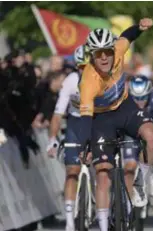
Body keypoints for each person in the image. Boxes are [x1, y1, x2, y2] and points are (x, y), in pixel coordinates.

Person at [79, 18, 153, 231]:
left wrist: (140, 28)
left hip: (125, 107)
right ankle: (105, 226)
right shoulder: (88, 81)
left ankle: (142, 182)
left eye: (107, 51)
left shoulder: (118, 50)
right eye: (98, 54)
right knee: (103, 173)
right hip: (101, 118)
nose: (104, 57)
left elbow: (128, 36)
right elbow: (86, 118)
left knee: (152, 135)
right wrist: (86, 144)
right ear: (92, 56)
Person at [46, 44, 90, 231]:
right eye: (80, 66)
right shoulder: (71, 81)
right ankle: (70, 220)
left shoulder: (104, 79)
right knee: (72, 170)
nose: (84, 70)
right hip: (76, 123)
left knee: (104, 168)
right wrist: (52, 139)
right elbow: (57, 114)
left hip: (97, 123)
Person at [124, 75, 153, 206]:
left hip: (151, 129)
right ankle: (128, 200)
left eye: (143, 98)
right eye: (136, 98)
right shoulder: (125, 99)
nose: (139, 102)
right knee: (129, 167)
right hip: (132, 132)